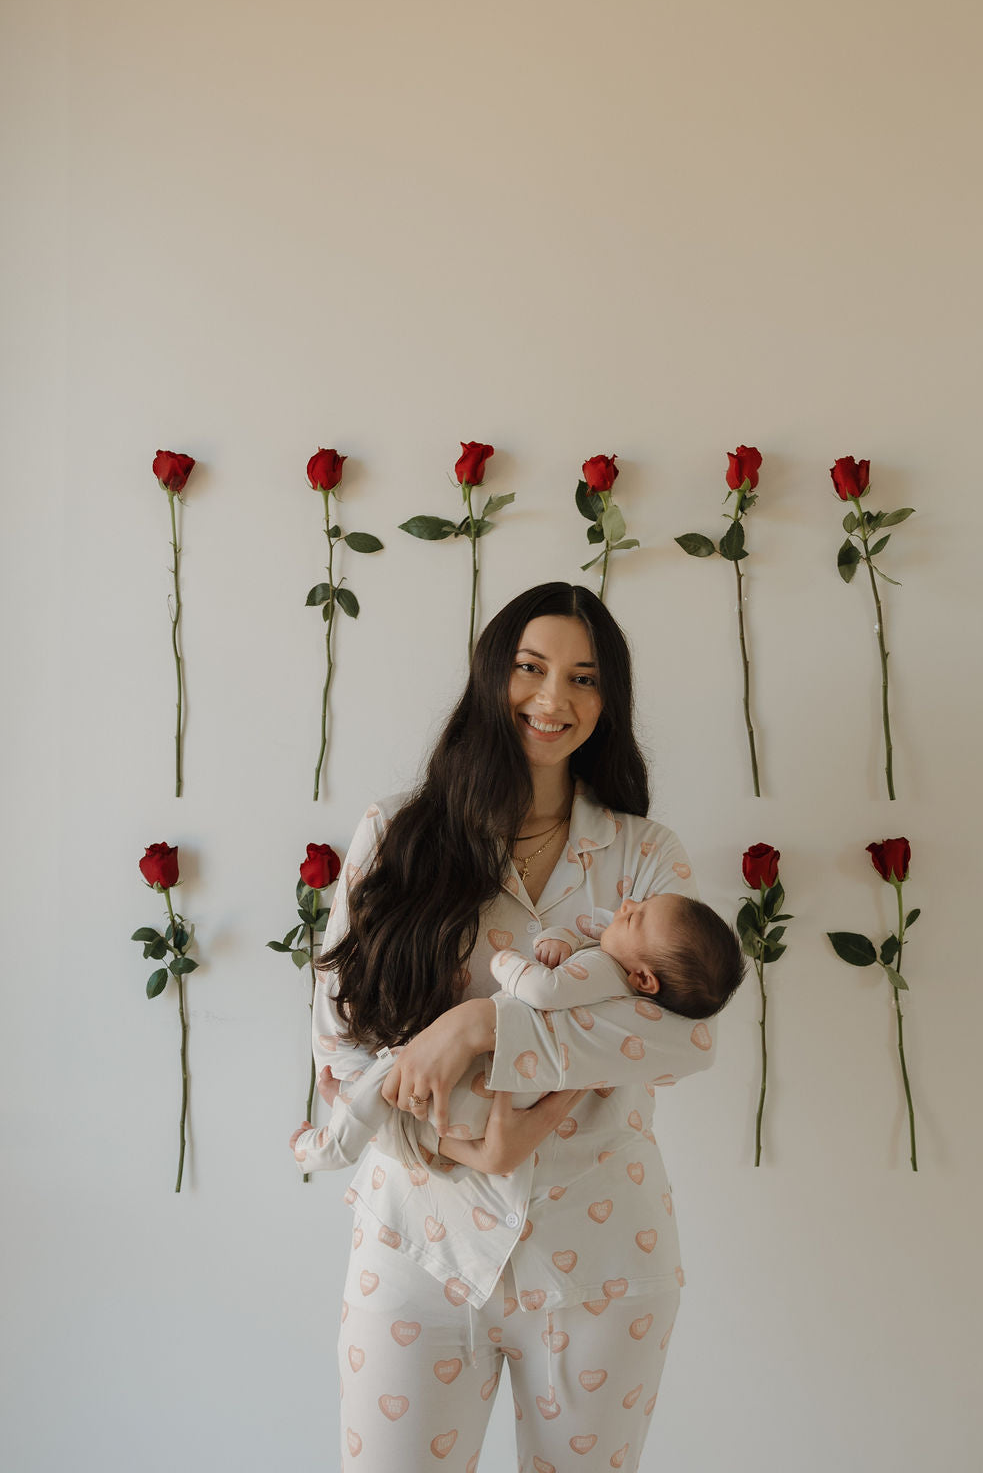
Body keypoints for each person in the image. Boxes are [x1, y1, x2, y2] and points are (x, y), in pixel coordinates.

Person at [305, 582, 723, 1472]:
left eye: (584, 679)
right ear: (494, 675)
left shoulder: (644, 856)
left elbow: (682, 1036)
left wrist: (480, 1025)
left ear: (609, 704)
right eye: (531, 670)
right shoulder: (396, 837)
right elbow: (340, 1045)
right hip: (414, 1242)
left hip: (600, 1254)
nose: (553, 699)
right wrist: (454, 1150)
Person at [291, 891, 742, 1170]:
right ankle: (356, 1107)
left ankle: (328, 1147)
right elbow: (588, 934)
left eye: (635, 917)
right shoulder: (624, 988)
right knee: (402, 1109)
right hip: (488, 1107)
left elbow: (545, 989)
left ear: (645, 979)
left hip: (484, 1086)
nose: (625, 906)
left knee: (392, 1071)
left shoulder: (606, 971)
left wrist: (505, 963)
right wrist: (563, 938)